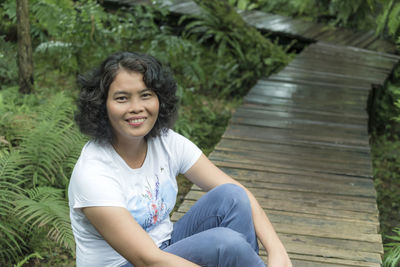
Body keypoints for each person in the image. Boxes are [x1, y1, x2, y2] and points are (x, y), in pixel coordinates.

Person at [68, 51, 292, 267]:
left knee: (232, 196)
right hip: (135, 262)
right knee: (225, 243)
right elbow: (147, 260)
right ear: (101, 106)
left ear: (159, 99)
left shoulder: (167, 142)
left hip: (166, 247)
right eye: (122, 98)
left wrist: (278, 252)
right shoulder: (94, 173)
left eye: (146, 95)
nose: (136, 108)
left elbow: (241, 193)